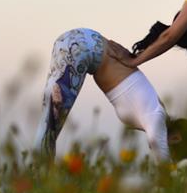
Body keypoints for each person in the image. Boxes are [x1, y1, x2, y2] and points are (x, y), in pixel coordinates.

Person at [33, 28, 173, 160]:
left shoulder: (149, 113)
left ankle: (36, 177)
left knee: (48, 125)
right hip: (85, 46)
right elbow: (156, 141)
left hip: (81, 41)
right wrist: (168, 171)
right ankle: (36, 179)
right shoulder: (158, 116)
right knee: (48, 130)